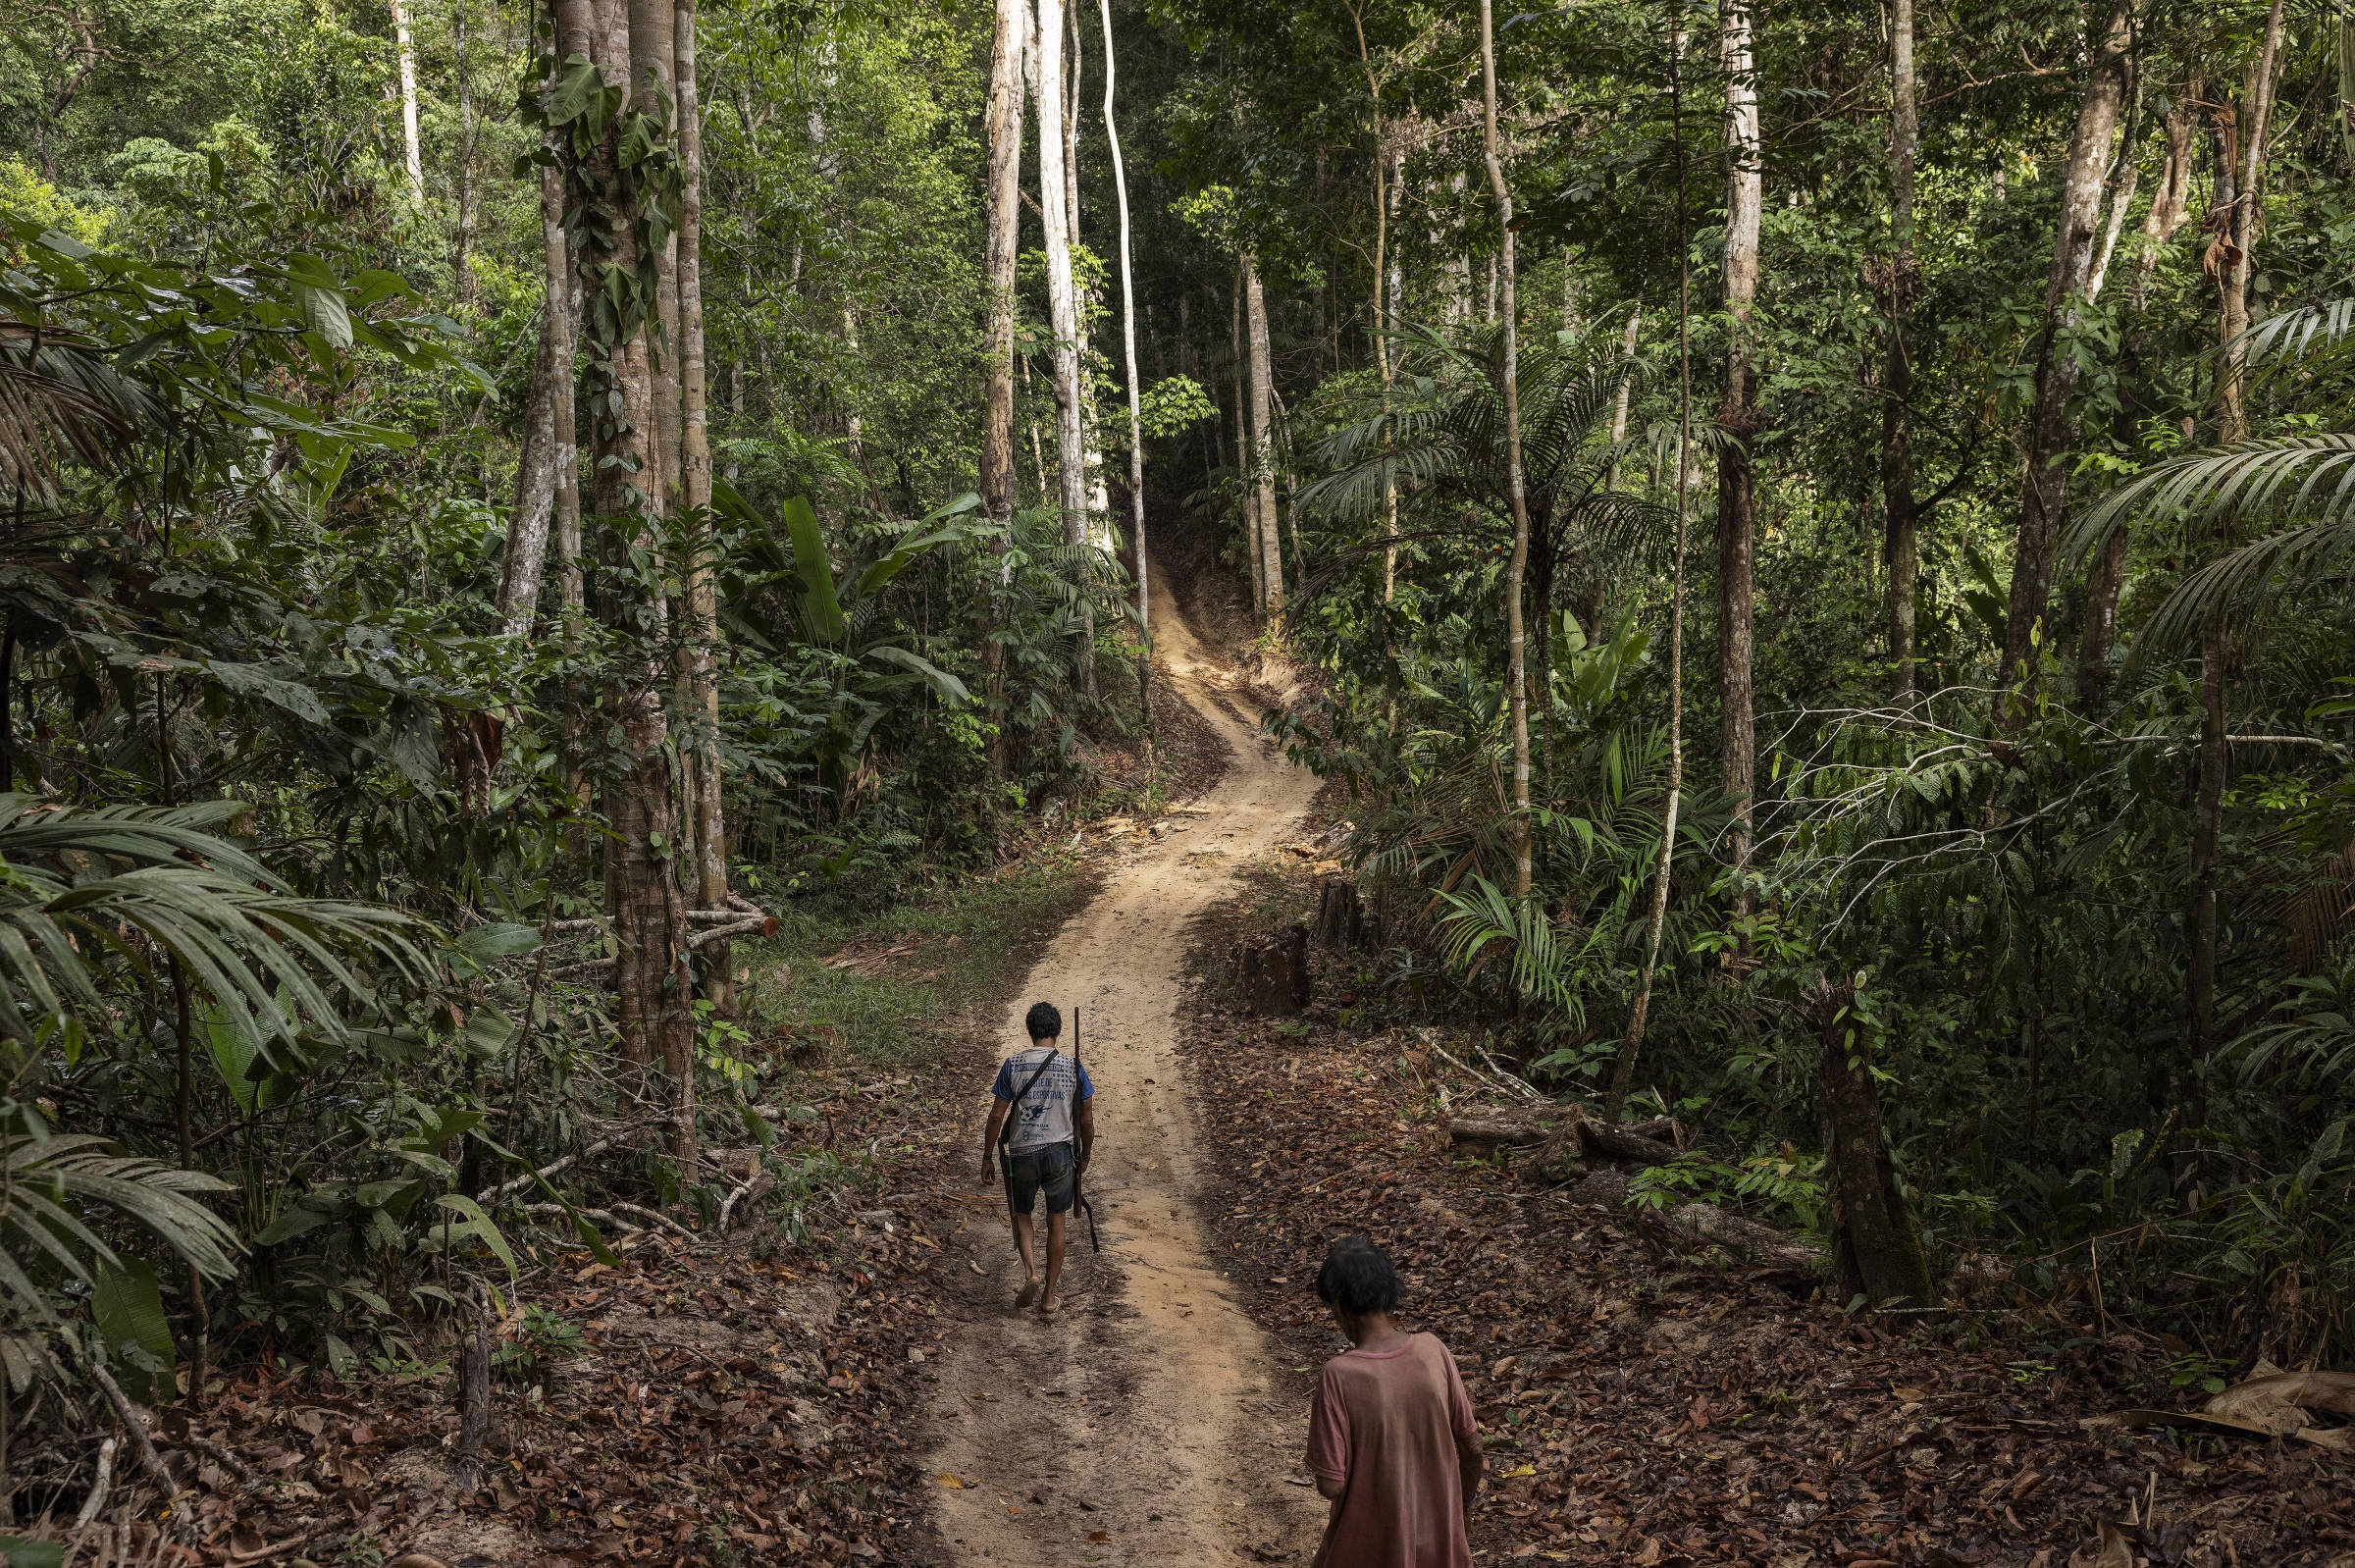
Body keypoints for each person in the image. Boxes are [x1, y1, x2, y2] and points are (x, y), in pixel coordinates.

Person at [1305, 1236, 1484, 1568]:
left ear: (1340, 1307)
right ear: (1388, 1295)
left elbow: (1331, 1484)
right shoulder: (1433, 1350)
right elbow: (1472, 1446)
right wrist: (1464, 1504)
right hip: (1440, 1547)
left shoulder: (1338, 1376)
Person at [978, 1001, 1095, 1317]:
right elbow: (1086, 1120)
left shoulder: (1013, 1065)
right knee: (1057, 1220)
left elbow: (996, 1115)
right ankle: (1048, 1297)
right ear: (1056, 1031)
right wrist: (1085, 1156)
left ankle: (1030, 1270)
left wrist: (988, 1156)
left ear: (1030, 1031)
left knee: (1022, 1214)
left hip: (1022, 1153)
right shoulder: (1074, 1067)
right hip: (1060, 1152)